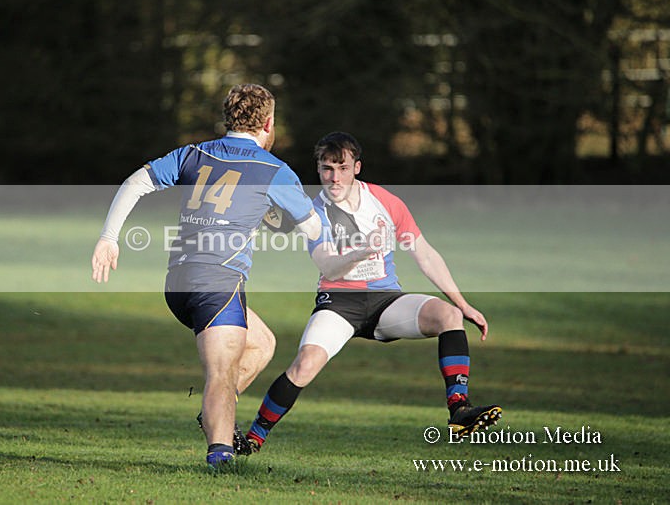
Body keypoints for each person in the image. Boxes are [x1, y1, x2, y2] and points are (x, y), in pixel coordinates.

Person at [91, 84, 322, 468]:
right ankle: (221, 458)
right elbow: (313, 230)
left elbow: (135, 183)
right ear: (268, 123)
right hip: (218, 283)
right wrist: (282, 218)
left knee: (262, 343)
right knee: (220, 375)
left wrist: (108, 238)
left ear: (228, 118)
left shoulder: (193, 153)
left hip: (178, 282)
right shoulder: (273, 170)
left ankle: (215, 412)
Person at [245, 131, 502, 452]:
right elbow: (328, 266)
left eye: (342, 168)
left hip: (386, 301)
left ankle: (459, 409)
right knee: (305, 364)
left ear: (357, 167)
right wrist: (361, 251)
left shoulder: (384, 201)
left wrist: (463, 305)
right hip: (338, 304)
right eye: (327, 169)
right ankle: (253, 438)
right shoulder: (312, 213)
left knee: (448, 315)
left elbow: (424, 254)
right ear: (318, 169)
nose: (334, 178)